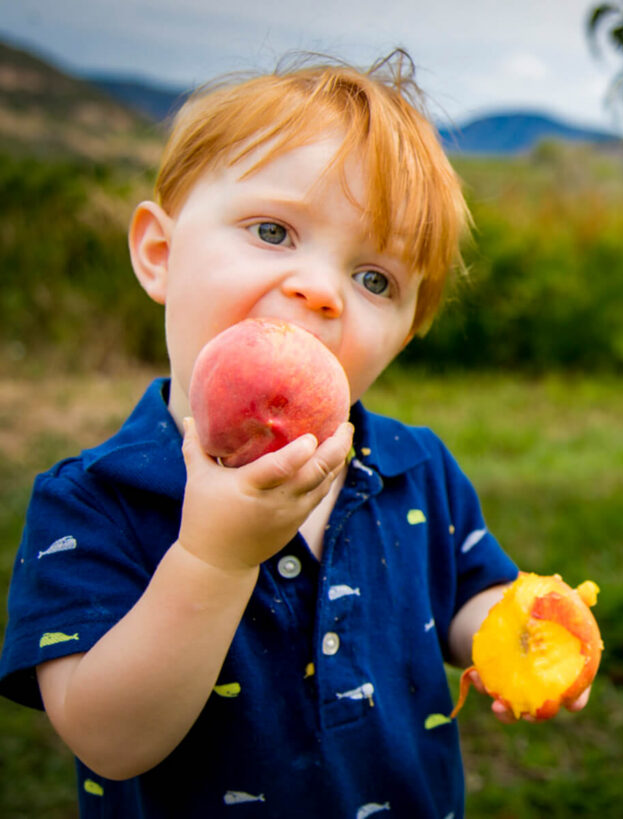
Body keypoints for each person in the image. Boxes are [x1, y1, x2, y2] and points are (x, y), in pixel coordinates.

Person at [0, 51, 587, 818]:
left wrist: (510, 637)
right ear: (160, 255)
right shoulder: (96, 503)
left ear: (404, 335)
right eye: (273, 230)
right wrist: (214, 558)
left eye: (375, 279)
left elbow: (470, 595)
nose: (321, 290)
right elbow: (107, 736)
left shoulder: (416, 472)